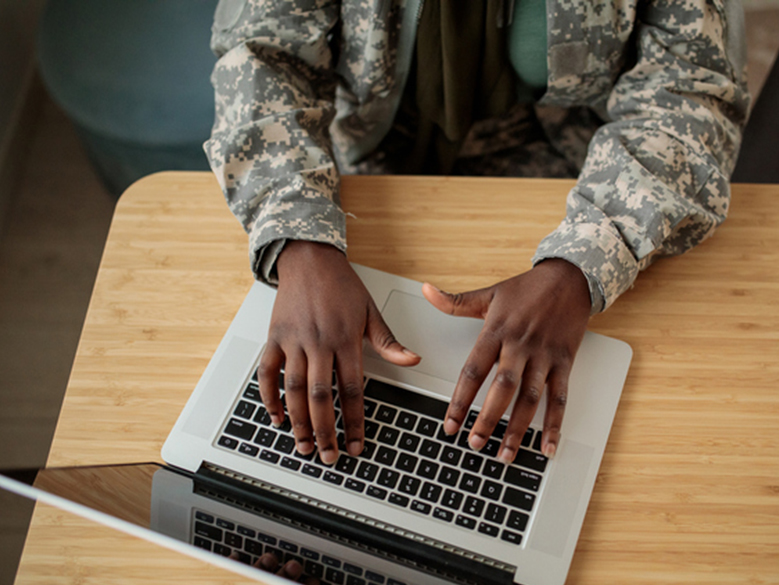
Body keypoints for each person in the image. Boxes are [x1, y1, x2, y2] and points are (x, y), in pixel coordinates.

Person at [204, 0, 749, 467]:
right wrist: (301, 242)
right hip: (361, 167)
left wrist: (583, 263)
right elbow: (263, 56)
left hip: (588, 173)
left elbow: (688, 93)